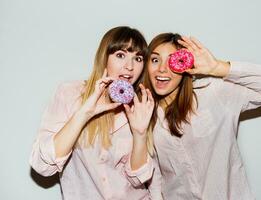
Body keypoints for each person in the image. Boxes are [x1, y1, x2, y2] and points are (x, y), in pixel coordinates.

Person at [142, 33, 261, 199]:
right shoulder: (144, 114)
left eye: (171, 61)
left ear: (184, 64)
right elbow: (155, 177)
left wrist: (217, 67)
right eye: (155, 60)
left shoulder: (214, 93)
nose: (162, 69)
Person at [30, 26, 162, 200]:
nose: (129, 66)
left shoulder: (142, 106)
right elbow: (43, 166)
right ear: (104, 58)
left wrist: (140, 133)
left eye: (137, 58)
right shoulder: (70, 94)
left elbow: (140, 179)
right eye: (120, 55)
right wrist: (84, 113)